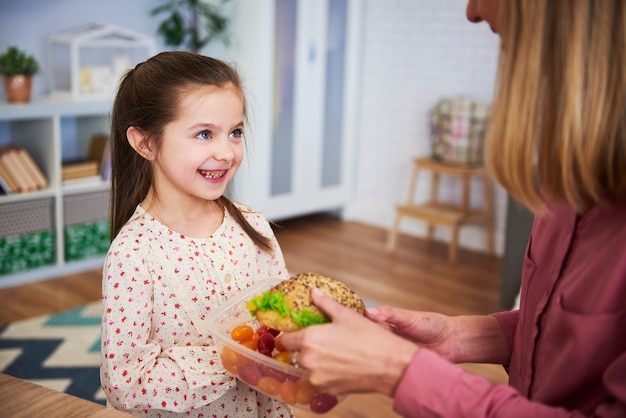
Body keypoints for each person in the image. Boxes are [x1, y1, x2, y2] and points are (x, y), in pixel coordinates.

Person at [281, 0, 626, 416]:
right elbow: (577, 335)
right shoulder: (568, 182)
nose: (471, 11)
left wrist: (396, 371)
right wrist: (467, 336)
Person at [100, 51, 293, 418]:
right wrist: (235, 359)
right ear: (145, 143)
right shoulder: (133, 255)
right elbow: (124, 383)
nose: (225, 152)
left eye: (235, 132)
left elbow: (280, 317)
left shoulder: (253, 226)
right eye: (204, 133)